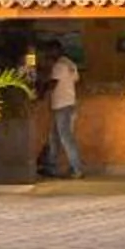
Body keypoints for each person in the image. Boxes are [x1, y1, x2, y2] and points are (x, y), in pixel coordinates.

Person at [43, 44, 82, 178]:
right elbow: (76, 80)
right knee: (54, 137)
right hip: (68, 104)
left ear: (57, 50)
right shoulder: (70, 64)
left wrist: (40, 89)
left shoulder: (59, 65)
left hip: (62, 106)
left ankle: (77, 169)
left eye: (50, 50)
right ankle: (51, 166)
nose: (48, 53)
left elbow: (52, 84)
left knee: (65, 138)